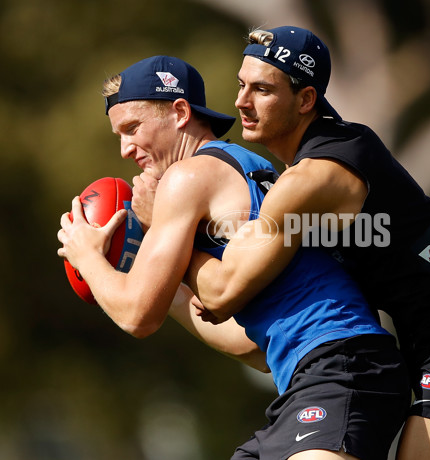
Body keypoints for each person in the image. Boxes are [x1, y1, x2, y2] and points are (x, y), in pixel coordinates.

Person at [184, 27, 430, 460]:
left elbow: (223, 294)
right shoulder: (344, 146)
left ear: (306, 99)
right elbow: (252, 337)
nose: (241, 102)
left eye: (262, 90)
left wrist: (168, 236)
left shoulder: (313, 179)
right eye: (241, 84)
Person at [57, 55, 411, 460]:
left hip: (341, 367)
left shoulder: (187, 177)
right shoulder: (245, 165)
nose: (124, 149)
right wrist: (159, 280)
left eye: (132, 128)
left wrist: (88, 257)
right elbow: (252, 347)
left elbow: (137, 316)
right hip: (322, 372)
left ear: (179, 112)